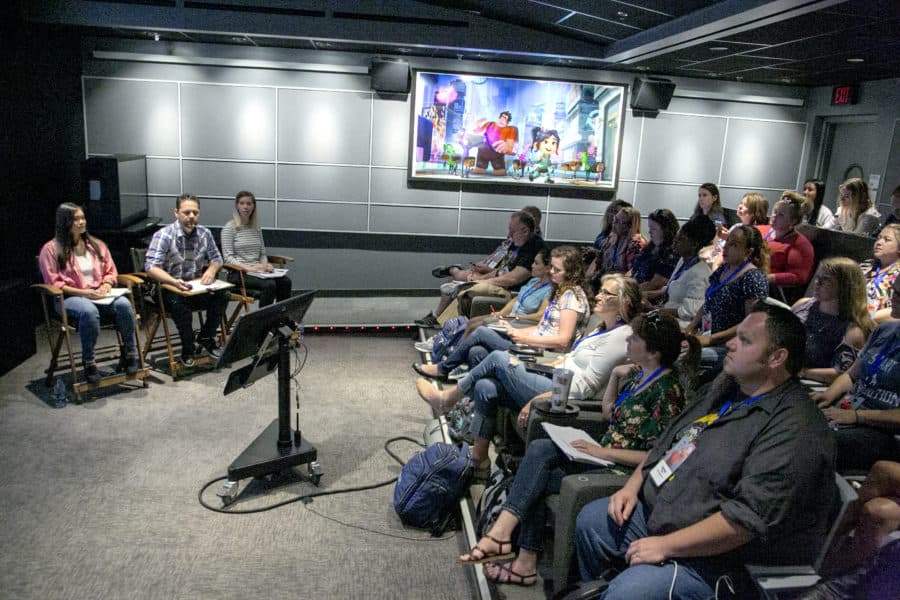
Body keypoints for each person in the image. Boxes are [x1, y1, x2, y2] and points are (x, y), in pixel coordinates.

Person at [575, 304, 836, 599]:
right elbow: (669, 440)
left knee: (631, 591)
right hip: (664, 514)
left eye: (745, 340)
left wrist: (666, 546)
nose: (730, 344)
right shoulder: (727, 387)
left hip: (719, 559)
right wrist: (633, 486)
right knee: (593, 522)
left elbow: (745, 520)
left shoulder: (796, 429)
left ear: (777, 358)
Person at [457, 312, 700, 587]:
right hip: (602, 456)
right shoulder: (638, 375)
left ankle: (508, 541)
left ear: (653, 351)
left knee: (537, 463)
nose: (628, 341)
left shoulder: (668, 392)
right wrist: (614, 378)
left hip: (622, 471)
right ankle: (520, 557)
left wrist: (601, 453)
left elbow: (657, 456)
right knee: (538, 458)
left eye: (635, 338)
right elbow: (610, 416)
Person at [417, 275, 641, 478]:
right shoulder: (602, 327)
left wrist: (537, 399)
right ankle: (480, 460)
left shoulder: (620, 337)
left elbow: (584, 387)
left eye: (606, 293)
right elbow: (571, 359)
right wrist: (541, 362)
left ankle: (448, 398)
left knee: (497, 358)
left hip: (561, 395)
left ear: (623, 303)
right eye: (601, 290)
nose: (599, 296)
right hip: (553, 373)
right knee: (486, 386)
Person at [413, 246, 588, 380]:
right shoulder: (561, 292)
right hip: (534, 341)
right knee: (476, 352)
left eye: (557, 270)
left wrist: (522, 336)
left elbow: (562, 341)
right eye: (551, 268)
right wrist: (515, 329)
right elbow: (543, 326)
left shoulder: (571, 296)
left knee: (481, 331)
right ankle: (467, 398)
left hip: (545, 353)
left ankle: (444, 368)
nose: (551, 272)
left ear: (571, 272)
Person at [39, 203, 140, 383]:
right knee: (88, 311)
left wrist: (107, 285)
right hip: (70, 297)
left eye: (82, 218)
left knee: (124, 305)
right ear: (64, 222)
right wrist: (85, 293)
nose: (81, 222)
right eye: (75, 219)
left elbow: (110, 272)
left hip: (99, 295)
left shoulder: (96, 245)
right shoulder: (51, 249)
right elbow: (54, 283)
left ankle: (130, 353)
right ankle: (89, 362)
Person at [144, 193, 229, 366]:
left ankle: (206, 336)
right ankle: (187, 347)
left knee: (223, 294)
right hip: (167, 287)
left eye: (195, 212)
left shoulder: (205, 233)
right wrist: (173, 282)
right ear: (176, 213)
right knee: (179, 303)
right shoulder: (164, 235)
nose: (191, 216)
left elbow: (217, 258)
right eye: (187, 212)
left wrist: (212, 270)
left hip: (193, 286)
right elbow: (151, 267)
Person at [417, 210, 542, 327]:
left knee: (464, 289)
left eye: (512, 231)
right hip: (500, 284)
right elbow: (500, 271)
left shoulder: (533, 247)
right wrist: (482, 277)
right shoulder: (517, 244)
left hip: (510, 291)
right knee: (457, 284)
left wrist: (477, 282)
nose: (509, 234)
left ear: (525, 231)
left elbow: (512, 279)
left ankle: (444, 323)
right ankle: (442, 322)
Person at [812, 320, 899, 472]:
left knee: (811, 440)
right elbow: (852, 375)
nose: (894, 297)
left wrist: (856, 416)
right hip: (847, 408)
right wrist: (828, 394)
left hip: (881, 430)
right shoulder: (885, 330)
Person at [685, 225, 770, 372]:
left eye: (734, 245)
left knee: (683, 358)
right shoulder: (724, 270)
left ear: (748, 252)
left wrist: (712, 339)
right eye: (727, 241)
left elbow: (750, 324)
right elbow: (708, 303)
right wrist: (690, 327)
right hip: (710, 336)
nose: (726, 247)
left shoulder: (753, 278)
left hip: (731, 345)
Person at [794, 257, 876, 384]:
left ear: (845, 286)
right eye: (818, 277)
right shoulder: (802, 305)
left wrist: (802, 372)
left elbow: (841, 374)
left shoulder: (852, 330)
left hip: (809, 384)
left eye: (826, 279)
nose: (817, 282)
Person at [221, 190, 291, 308]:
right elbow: (228, 258)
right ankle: (263, 323)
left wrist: (265, 265)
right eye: (242, 203)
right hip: (239, 273)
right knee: (270, 285)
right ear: (237, 206)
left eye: (249, 204)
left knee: (285, 281)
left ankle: (279, 318)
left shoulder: (256, 228)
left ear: (253, 206)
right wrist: (250, 268)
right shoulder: (229, 228)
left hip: (258, 272)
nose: (245, 207)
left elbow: (262, 253)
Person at [657, 215, 717, 326]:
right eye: (676, 237)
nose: (674, 242)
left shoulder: (700, 273)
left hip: (682, 324)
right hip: (667, 315)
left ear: (694, 244)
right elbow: (670, 289)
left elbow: (690, 312)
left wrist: (656, 312)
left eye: (680, 239)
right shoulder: (682, 261)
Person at [586, 206, 644, 293]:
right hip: (604, 279)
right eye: (615, 219)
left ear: (629, 226)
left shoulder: (636, 244)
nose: (614, 223)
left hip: (621, 285)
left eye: (618, 221)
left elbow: (633, 272)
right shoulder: (611, 238)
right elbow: (599, 261)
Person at [628, 208, 679, 302]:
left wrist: (628, 292)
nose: (649, 232)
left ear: (665, 230)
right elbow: (633, 270)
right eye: (649, 228)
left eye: (653, 229)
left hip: (646, 298)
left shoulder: (671, 254)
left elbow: (656, 284)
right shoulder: (649, 248)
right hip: (634, 290)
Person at [766, 195, 815, 289]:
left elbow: (799, 277)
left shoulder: (801, 245)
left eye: (781, 214)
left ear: (793, 221)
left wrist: (768, 278)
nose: (774, 216)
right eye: (775, 211)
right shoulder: (762, 230)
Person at [863, 224, 900, 322]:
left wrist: (865, 318)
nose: (879, 242)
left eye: (887, 239)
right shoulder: (866, 265)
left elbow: (897, 311)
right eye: (878, 238)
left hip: (881, 327)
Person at [584, 199, 630, 269]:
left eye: (615, 212)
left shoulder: (628, 239)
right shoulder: (604, 234)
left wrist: (598, 253)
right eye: (610, 212)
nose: (612, 216)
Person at [471, 110, 516, 176]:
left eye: (505, 118)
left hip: (497, 154)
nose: (502, 120)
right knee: (479, 170)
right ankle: (481, 167)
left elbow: (510, 145)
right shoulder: (489, 124)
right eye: (501, 117)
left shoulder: (510, 130)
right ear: (499, 118)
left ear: (508, 122)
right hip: (484, 151)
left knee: (500, 172)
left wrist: (507, 147)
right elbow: (477, 131)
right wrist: (477, 123)